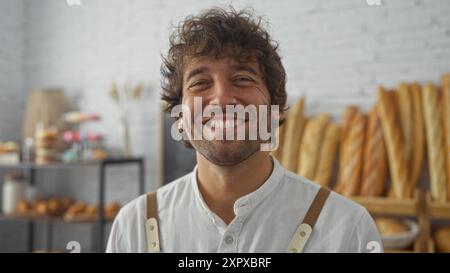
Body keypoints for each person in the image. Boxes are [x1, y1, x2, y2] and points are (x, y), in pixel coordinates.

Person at [106, 7, 382, 253]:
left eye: (242, 79)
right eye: (200, 83)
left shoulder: (347, 229)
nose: (223, 99)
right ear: (179, 116)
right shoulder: (134, 227)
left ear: (275, 109)